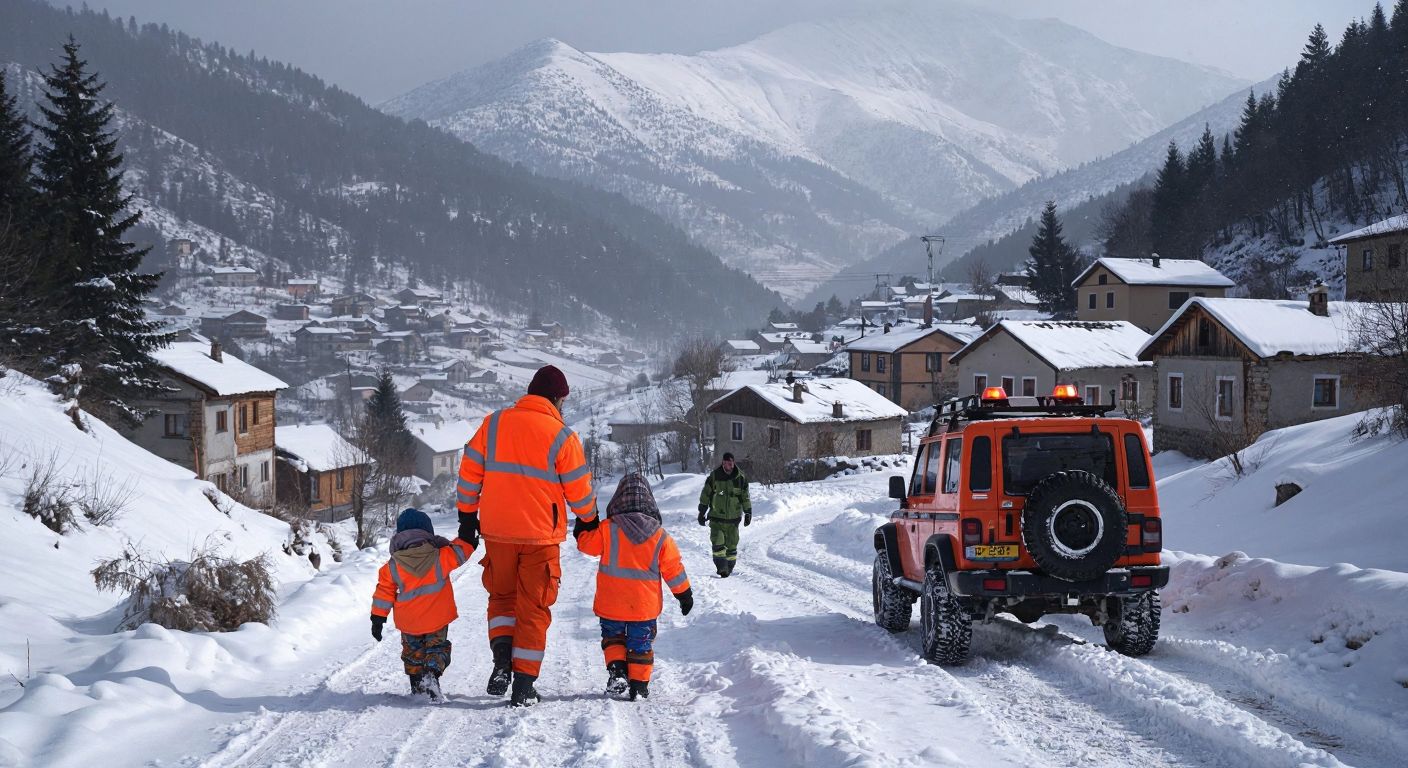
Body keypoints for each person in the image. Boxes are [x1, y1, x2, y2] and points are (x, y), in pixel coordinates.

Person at [456, 364, 599, 707]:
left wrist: (466, 517)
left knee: (502, 598)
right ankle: (523, 684)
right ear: (555, 398)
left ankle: (502, 660)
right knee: (533, 608)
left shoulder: (493, 423)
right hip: (540, 536)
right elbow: (579, 489)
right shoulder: (562, 435)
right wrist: (588, 520)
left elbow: (469, 472)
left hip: (497, 531)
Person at [574, 472, 692, 701]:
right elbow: (673, 569)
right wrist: (684, 594)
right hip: (643, 607)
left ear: (619, 499)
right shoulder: (660, 536)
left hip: (612, 603)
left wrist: (582, 526)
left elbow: (586, 545)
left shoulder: (608, 529)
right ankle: (639, 684)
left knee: (613, 637)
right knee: (641, 642)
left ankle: (618, 672)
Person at [370, 507, 478, 703]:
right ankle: (432, 676)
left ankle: (418, 687)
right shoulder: (441, 556)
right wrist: (469, 531)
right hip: (437, 618)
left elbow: (384, 591)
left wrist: (378, 618)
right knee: (437, 649)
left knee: (412, 654)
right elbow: (463, 549)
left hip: (409, 622)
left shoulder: (392, 566)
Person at [697, 452, 751, 577]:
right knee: (718, 542)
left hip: (733, 520)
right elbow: (706, 494)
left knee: (732, 546)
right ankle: (722, 568)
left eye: (730, 462)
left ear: (733, 463)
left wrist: (748, 512)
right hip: (717, 519)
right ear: (722, 463)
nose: (727, 465)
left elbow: (745, 497)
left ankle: (730, 567)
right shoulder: (715, 476)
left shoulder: (740, 478)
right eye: (725, 462)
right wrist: (702, 511)